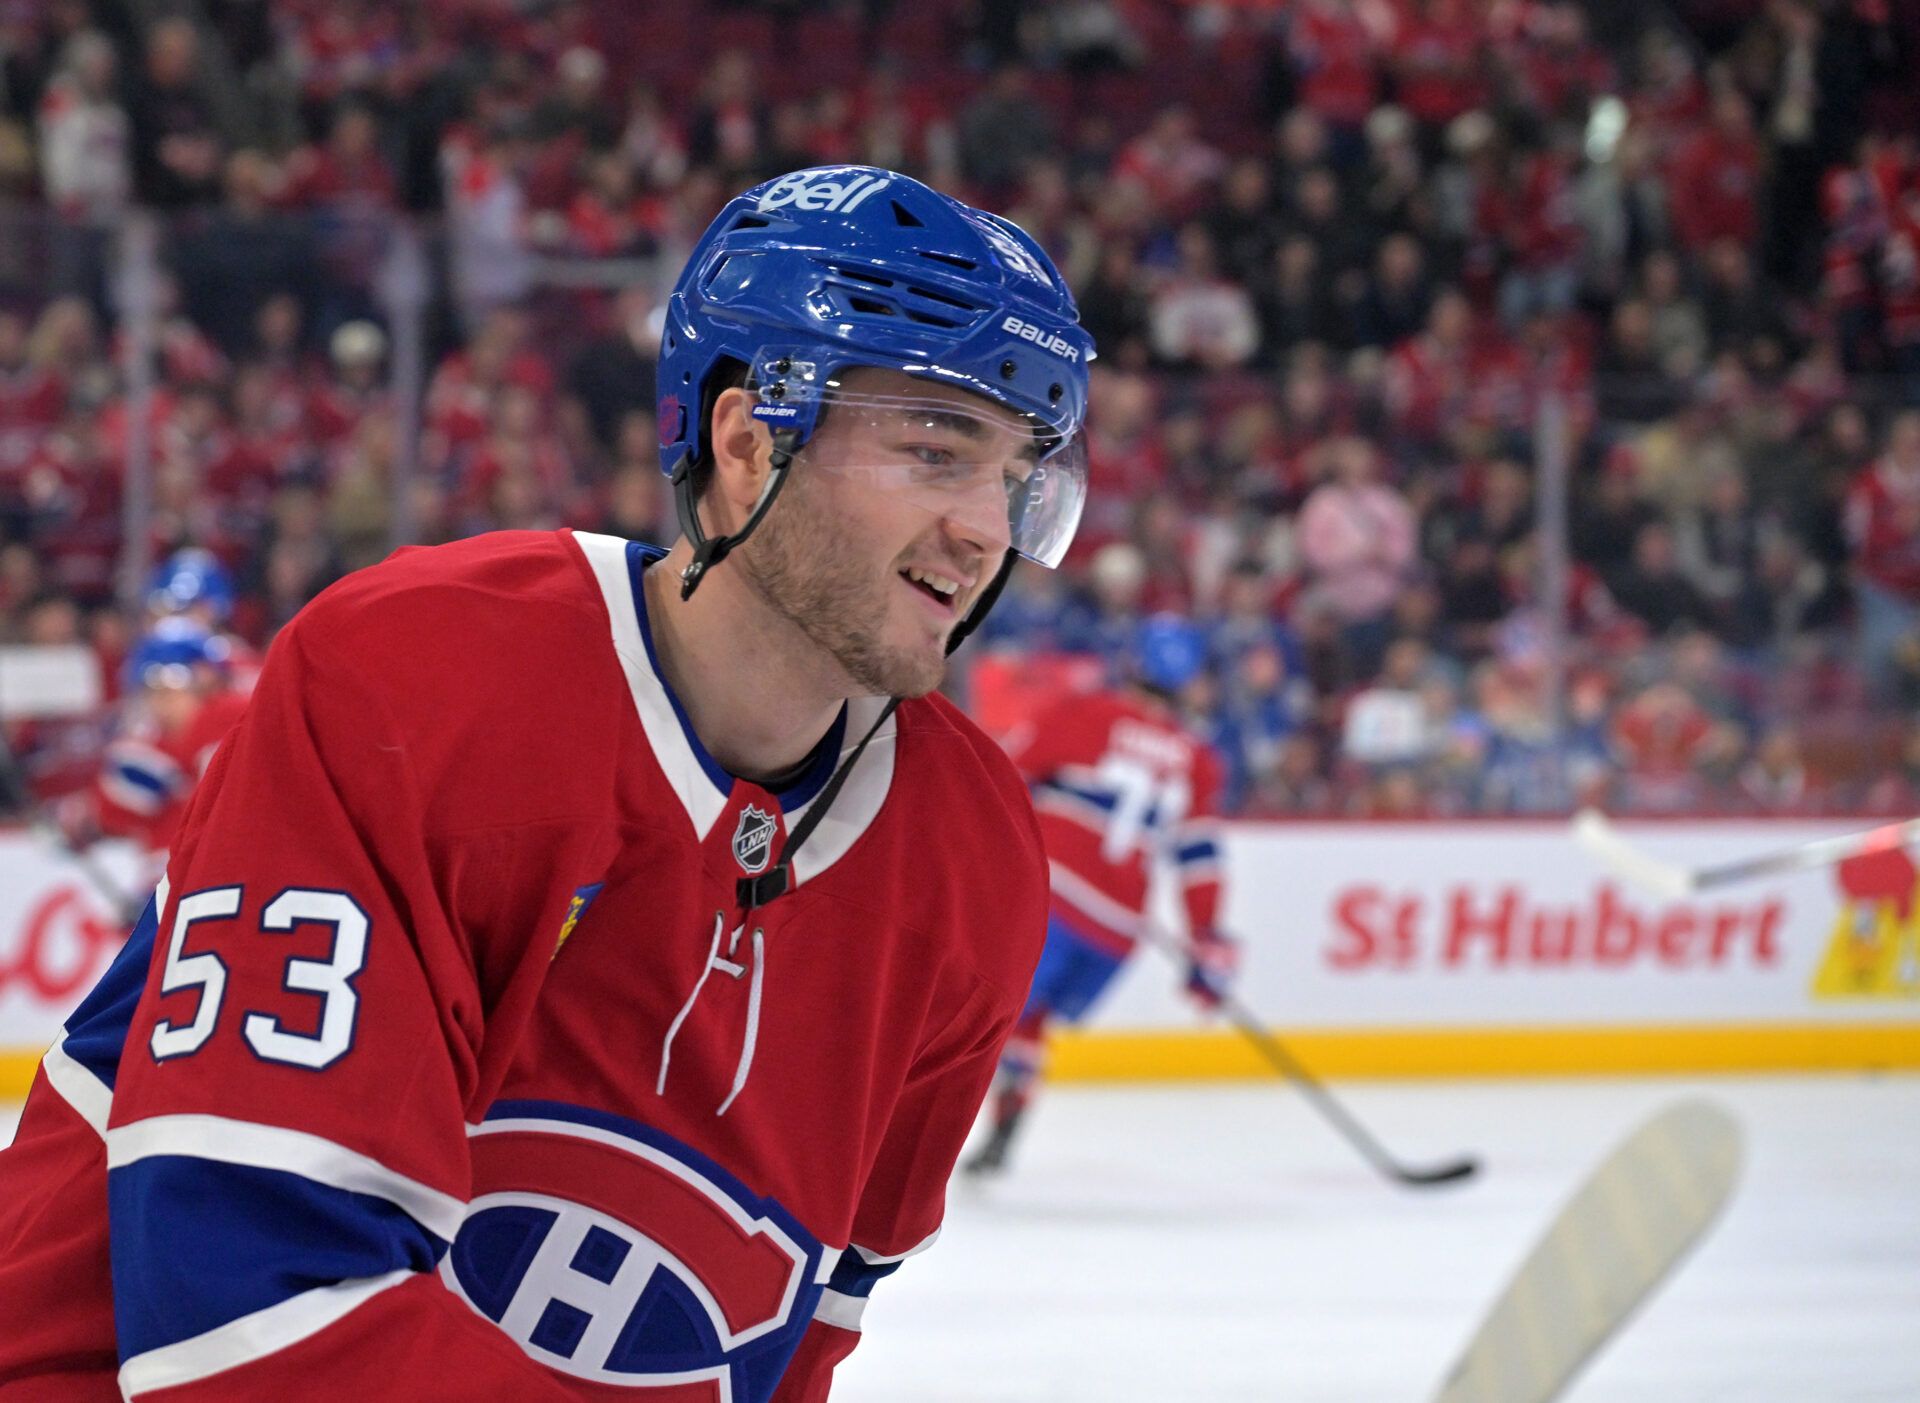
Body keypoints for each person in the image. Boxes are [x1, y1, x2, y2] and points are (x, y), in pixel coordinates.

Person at [0, 164, 1095, 1401]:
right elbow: (252, 1324)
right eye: (937, 449)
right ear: (749, 442)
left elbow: (794, 1350)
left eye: (1017, 473)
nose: (988, 529)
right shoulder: (421, 680)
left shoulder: (972, 864)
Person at [966, 615, 1236, 1174]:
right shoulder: (1197, 758)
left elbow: (1004, 778)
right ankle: (1012, 1104)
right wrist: (1206, 937)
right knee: (1030, 1018)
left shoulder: (1085, 712)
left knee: (975, 1002)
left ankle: (918, 1115)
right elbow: (1198, 856)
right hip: (1116, 931)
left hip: (1050, 899)